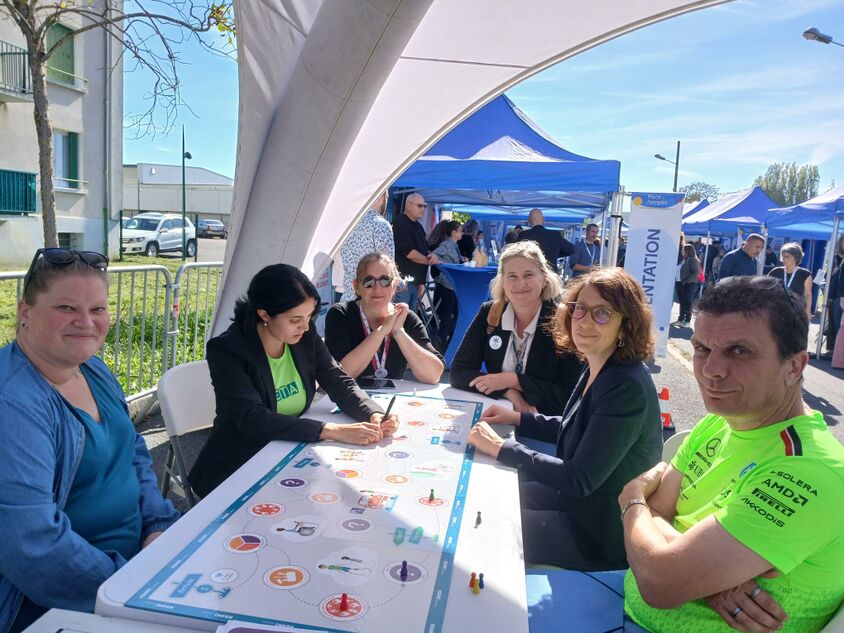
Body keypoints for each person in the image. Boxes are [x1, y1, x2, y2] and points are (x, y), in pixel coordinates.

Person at [621, 276, 844, 633]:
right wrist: (708, 583)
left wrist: (631, 498)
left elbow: (660, 582)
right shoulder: (719, 423)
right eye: (701, 349)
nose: (711, 370)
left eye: (739, 351)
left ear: (795, 367)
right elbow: (660, 511)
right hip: (621, 608)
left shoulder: (809, 470)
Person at [0, 248, 180, 632]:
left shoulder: (92, 368)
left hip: (136, 565)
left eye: (98, 309)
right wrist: (129, 584)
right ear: (25, 311)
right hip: (62, 600)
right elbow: (33, 545)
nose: (86, 322)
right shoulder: (13, 403)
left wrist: (157, 526)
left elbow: (132, 453)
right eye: (66, 308)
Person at [466, 267, 661, 570]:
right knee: (487, 497)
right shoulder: (599, 361)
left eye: (602, 313)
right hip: (576, 503)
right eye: (580, 309)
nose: (583, 321)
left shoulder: (626, 385)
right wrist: (517, 418)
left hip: (596, 531)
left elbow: (578, 478)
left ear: (626, 325)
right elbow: (577, 425)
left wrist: (502, 448)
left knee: (485, 525)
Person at [189, 264, 400, 498]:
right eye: (295, 319)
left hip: (288, 456)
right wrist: (331, 430)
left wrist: (373, 413)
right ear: (264, 314)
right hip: (237, 468)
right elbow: (253, 418)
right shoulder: (228, 350)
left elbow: (338, 380)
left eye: (310, 316)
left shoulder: (303, 336)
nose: (306, 326)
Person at [450, 241, 582, 414]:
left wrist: (514, 381)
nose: (520, 283)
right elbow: (459, 373)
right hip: (500, 416)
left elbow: (571, 395)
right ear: (503, 283)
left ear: (544, 279)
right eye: (512, 276)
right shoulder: (490, 313)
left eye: (528, 275)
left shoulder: (564, 321)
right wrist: (507, 390)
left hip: (546, 427)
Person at [325, 253, 444, 384]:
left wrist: (399, 333)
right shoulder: (341, 314)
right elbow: (341, 374)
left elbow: (434, 375)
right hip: (351, 400)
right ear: (356, 287)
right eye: (368, 281)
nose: (377, 288)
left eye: (385, 281)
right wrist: (382, 330)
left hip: (393, 400)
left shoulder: (406, 317)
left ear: (394, 287)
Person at [338, 190, 394, 301]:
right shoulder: (380, 224)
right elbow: (388, 268)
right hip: (372, 301)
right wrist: (401, 283)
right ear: (379, 197)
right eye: (386, 197)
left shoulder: (347, 224)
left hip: (348, 299)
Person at [393, 193, 438, 312]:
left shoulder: (418, 226)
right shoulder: (399, 223)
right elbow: (409, 253)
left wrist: (431, 255)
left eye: (425, 206)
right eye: (420, 206)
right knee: (398, 320)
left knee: (408, 320)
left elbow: (423, 250)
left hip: (414, 283)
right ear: (408, 205)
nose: (423, 209)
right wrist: (430, 261)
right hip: (403, 283)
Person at [429, 220, 464, 351]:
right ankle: (441, 340)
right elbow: (433, 255)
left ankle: (443, 338)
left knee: (454, 312)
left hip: (453, 284)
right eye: (460, 230)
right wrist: (444, 265)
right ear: (454, 232)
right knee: (448, 313)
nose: (462, 233)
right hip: (447, 284)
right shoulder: (446, 244)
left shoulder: (455, 246)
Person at [517, 208, 575, 274]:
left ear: (529, 220)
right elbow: (571, 249)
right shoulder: (555, 235)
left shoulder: (523, 235)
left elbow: (514, 253)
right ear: (543, 219)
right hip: (550, 277)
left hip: (530, 275)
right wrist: (555, 253)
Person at [768, 242, 813, 322]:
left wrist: (808, 311)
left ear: (795, 257)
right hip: (777, 310)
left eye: (787, 256)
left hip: (796, 311)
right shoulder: (775, 271)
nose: (784, 259)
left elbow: (808, 295)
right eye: (783, 256)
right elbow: (766, 290)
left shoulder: (805, 274)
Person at [673, 244, 700, 328]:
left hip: (689, 284)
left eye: (683, 250)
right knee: (682, 301)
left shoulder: (692, 260)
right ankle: (680, 319)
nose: (682, 251)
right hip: (680, 283)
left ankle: (687, 321)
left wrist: (686, 281)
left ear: (687, 251)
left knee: (688, 301)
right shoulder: (684, 260)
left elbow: (696, 272)